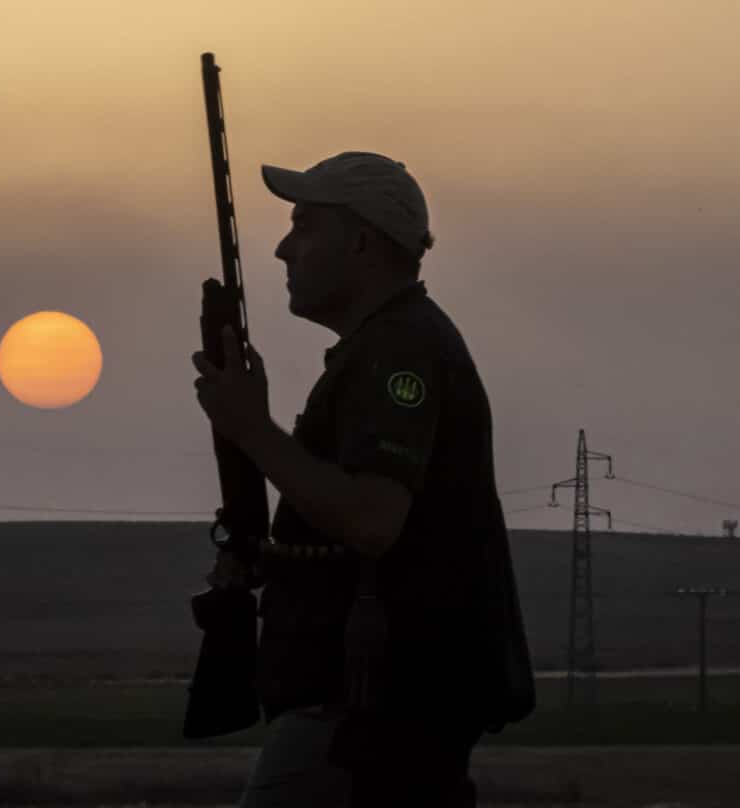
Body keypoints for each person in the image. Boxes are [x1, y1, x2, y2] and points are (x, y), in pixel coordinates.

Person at [192, 151, 534, 807]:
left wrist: (252, 431)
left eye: (304, 226)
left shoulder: (399, 350)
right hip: (379, 709)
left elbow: (373, 522)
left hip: (368, 716)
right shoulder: (384, 347)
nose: (284, 250)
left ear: (359, 239)